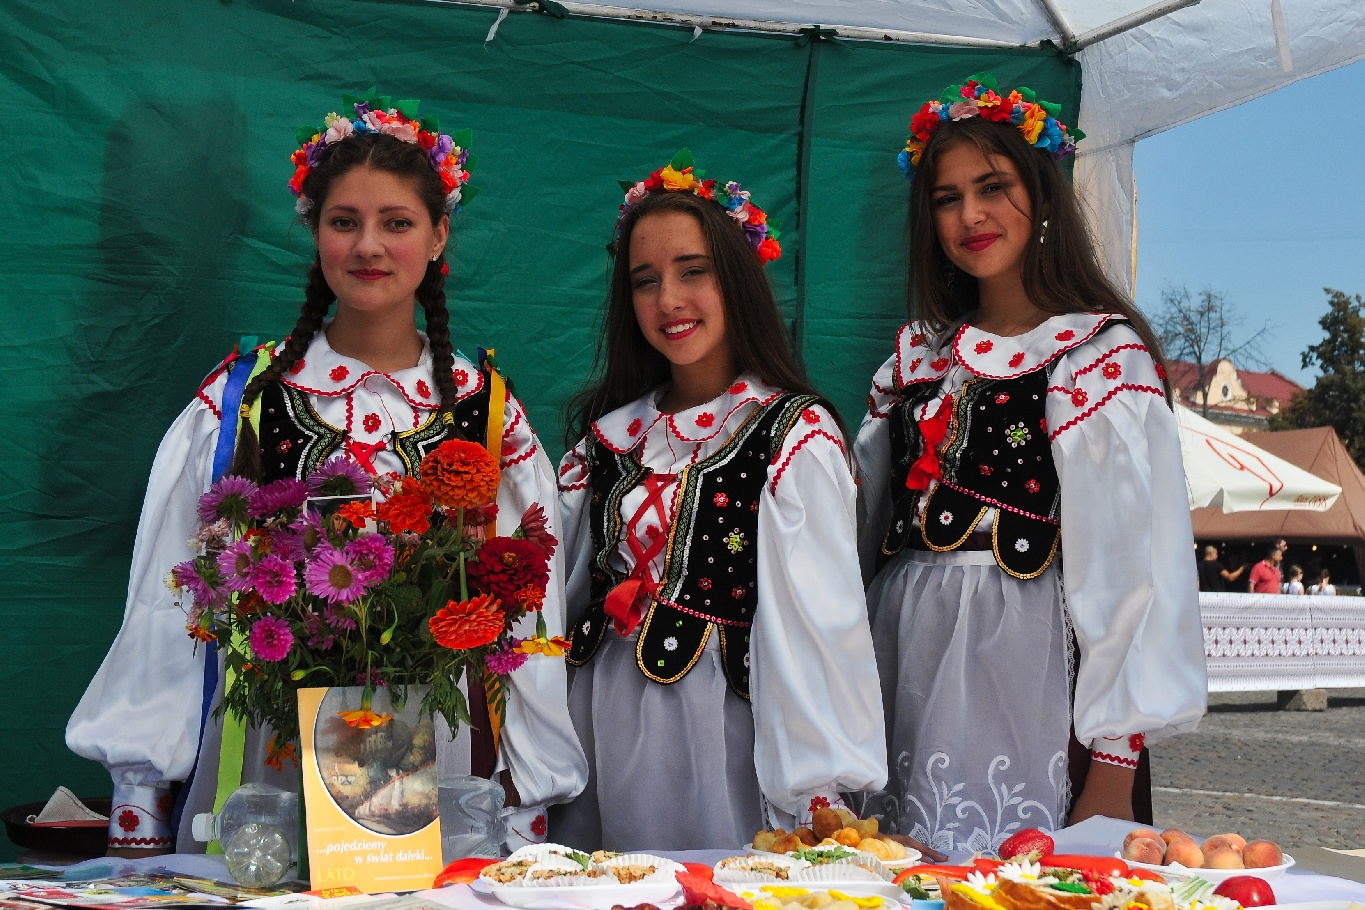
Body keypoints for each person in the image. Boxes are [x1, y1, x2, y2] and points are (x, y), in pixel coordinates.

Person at [66, 90, 587, 854]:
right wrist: (139, 792)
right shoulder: (242, 401)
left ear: (439, 235)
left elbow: (528, 620)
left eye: (396, 222)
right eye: (345, 221)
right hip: (267, 758)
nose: (369, 245)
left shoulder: (486, 414)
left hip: (440, 757)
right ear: (314, 232)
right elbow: (168, 601)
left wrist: (525, 799)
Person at [856, 74, 1207, 853]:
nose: (969, 215)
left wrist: (1112, 764)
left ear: (1040, 195)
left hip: (1025, 663)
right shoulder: (916, 360)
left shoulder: (1094, 357)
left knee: (1019, 877)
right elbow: (856, 528)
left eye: (991, 187)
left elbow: (1132, 568)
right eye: (946, 198)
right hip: (902, 654)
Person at [551, 151, 888, 851]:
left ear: (736, 276)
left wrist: (818, 786)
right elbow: (562, 593)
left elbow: (818, 622)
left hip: (721, 728)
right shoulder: (607, 439)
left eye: (692, 271)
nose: (668, 299)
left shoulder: (790, 433)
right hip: (600, 721)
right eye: (645, 280)